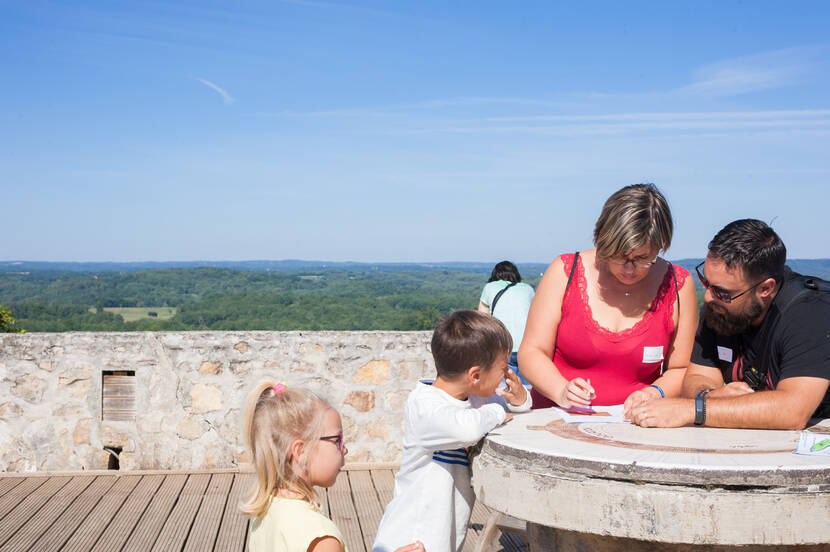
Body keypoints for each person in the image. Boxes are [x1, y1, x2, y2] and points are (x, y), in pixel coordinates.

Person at [628, 219, 830, 429]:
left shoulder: (811, 311)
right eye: (706, 282)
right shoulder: (719, 309)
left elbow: (792, 412)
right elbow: (697, 376)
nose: (707, 297)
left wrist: (692, 409)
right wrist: (710, 395)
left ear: (765, 289)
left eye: (722, 292)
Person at [518, 184, 698, 417]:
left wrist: (655, 392)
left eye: (644, 259)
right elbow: (532, 352)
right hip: (555, 419)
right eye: (619, 256)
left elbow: (682, 368)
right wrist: (561, 390)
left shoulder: (678, 285)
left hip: (634, 429)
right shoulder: (565, 272)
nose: (629, 269)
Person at [373, 310, 532, 552]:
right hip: (410, 538)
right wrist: (498, 413)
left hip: (440, 534)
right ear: (475, 375)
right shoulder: (424, 406)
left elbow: (501, 411)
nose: (507, 375)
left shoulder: (472, 400)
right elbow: (467, 428)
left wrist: (519, 400)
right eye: (502, 369)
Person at [241, 380, 425, 552]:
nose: (344, 449)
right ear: (300, 452)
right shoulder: (321, 538)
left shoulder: (266, 509)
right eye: (337, 440)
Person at [478, 260, 536, 385]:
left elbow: (482, 318)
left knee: (503, 391)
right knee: (526, 390)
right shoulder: (528, 289)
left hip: (502, 345)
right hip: (526, 346)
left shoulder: (489, 287)